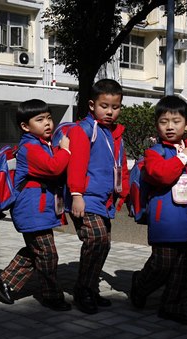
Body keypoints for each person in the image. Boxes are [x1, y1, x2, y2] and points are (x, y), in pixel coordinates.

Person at [129, 96, 187, 325]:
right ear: (156, 125)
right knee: (162, 264)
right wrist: (182, 158)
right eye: (164, 121)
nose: (170, 126)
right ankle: (140, 285)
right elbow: (161, 175)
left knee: (184, 269)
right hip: (166, 221)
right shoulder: (154, 152)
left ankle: (173, 306)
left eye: (176, 121)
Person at [0, 99, 72, 311]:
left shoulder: (41, 144)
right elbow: (53, 168)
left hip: (39, 209)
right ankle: (51, 296)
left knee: (39, 250)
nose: (47, 123)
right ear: (25, 126)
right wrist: (66, 151)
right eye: (40, 119)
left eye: (49, 118)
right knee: (48, 254)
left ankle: (5, 280)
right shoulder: (30, 147)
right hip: (32, 210)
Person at [63, 79, 129, 314]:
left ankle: (90, 289)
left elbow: (120, 166)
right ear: (92, 105)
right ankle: (82, 291)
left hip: (104, 199)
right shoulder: (83, 130)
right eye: (105, 106)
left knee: (104, 244)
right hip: (86, 197)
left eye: (115, 107)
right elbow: (77, 166)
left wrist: (124, 193)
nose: (110, 111)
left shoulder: (114, 133)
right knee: (96, 240)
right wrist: (77, 194)